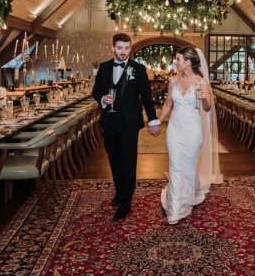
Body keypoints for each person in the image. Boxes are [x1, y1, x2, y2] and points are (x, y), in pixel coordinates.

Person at [92, 33, 160, 221]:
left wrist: (153, 120)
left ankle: (126, 202)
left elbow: (146, 96)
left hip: (130, 123)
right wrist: (103, 100)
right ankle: (120, 192)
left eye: (127, 48)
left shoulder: (138, 69)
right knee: (114, 159)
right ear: (113, 47)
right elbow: (96, 92)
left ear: (130, 48)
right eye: (120, 48)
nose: (123, 52)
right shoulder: (104, 68)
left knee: (128, 161)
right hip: (109, 122)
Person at [158, 46, 223, 225]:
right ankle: (176, 208)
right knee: (176, 165)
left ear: (187, 62)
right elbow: (167, 104)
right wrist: (158, 121)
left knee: (188, 164)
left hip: (193, 130)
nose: (175, 62)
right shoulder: (172, 80)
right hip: (175, 129)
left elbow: (208, 108)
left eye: (178, 59)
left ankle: (191, 190)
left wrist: (204, 99)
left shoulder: (202, 82)